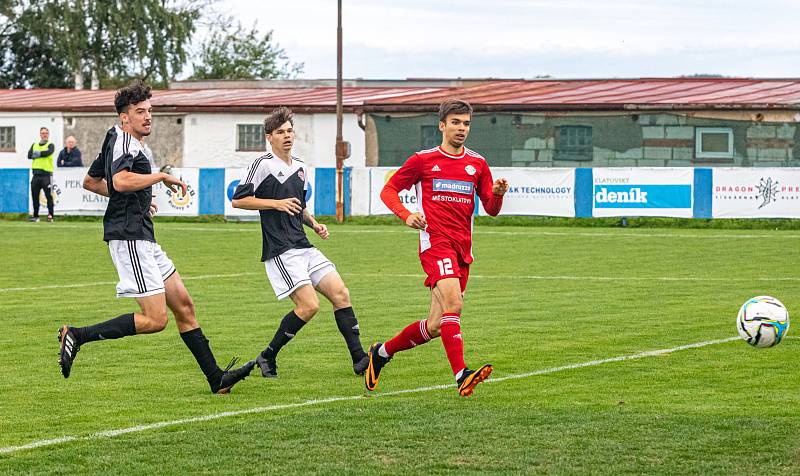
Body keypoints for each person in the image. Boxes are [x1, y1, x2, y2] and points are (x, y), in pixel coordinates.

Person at [57, 80, 255, 394]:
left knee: (185, 306)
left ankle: (216, 378)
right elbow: (120, 181)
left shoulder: (121, 139)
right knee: (155, 319)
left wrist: (138, 200)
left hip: (143, 236)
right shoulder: (123, 142)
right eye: (140, 112)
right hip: (129, 238)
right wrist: (160, 177)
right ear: (125, 117)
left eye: (150, 110)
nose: (148, 116)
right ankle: (77, 335)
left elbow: (92, 182)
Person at [365, 99, 509, 397]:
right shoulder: (423, 160)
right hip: (435, 244)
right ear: (441, 125)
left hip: (462, 249)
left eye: (466, 123)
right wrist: (406, 215)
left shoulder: (478, 164)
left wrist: (497, 194)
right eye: (455, 122)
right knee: (454, 306)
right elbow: (388, 189)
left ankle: (380, 353)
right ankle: (462, 375)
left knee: (435, 325)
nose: (461, 128)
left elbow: (492, 209)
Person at [231, 106, 369, 378]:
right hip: (281, 250)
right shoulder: (261, 165)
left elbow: (299, 206)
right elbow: (238, 200)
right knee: (309, 306)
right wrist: (275, 203)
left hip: (303, 244)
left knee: (341, 294)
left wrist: (315, 224)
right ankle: (268, 355)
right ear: (269, 137)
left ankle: (360, 359)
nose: (287, 136)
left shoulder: (301, 167)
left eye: (290, 131)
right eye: (280, 132)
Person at [27, 127, 55, 222]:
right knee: (35, 196)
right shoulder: (34, 145)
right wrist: (40, 153)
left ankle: (50, 215)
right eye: (43, 133)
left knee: (48, 196)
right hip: (36, 174)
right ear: (40, 134)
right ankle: (36, 216)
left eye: (46, 133)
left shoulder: (50, 145)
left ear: (48, 134)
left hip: (46, 174)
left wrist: (37, 154)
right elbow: (29, 155)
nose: (44, 135)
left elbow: (48, 153)